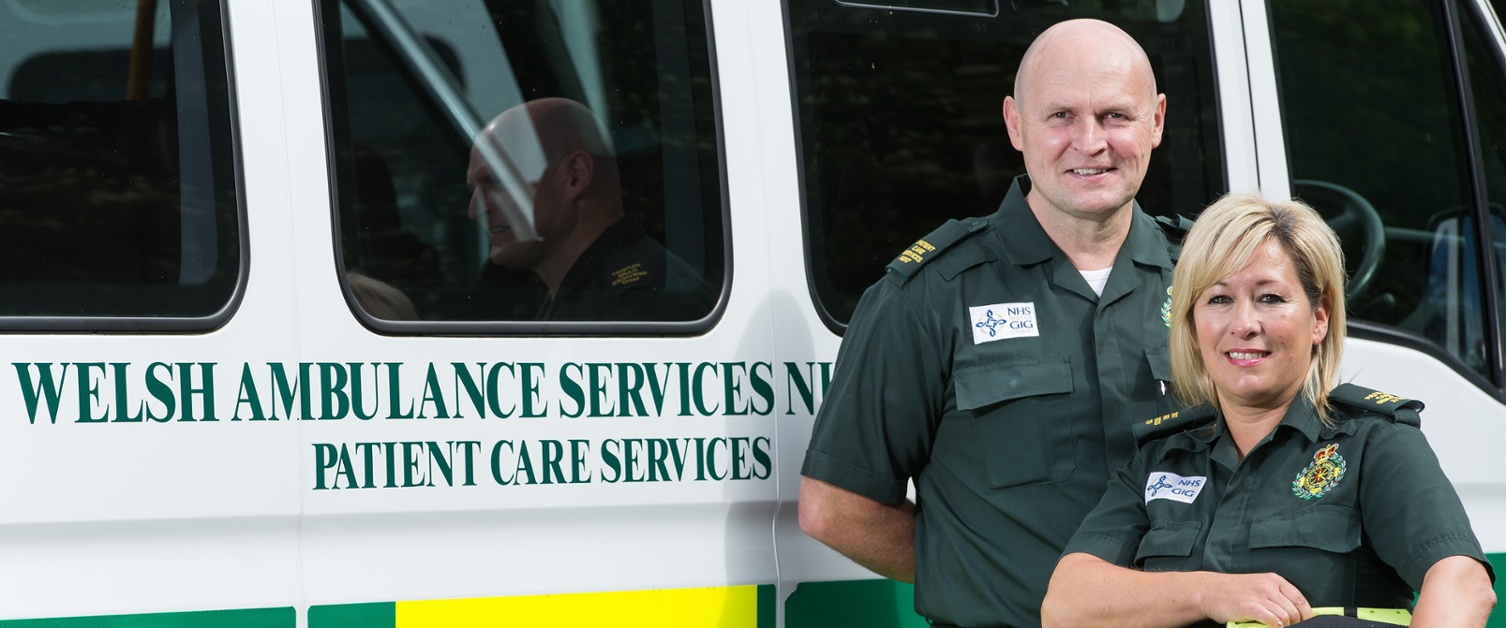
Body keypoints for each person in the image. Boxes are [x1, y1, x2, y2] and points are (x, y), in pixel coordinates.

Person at [799, 19, 1176, 627]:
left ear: (1155, 120)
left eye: (1114, 116)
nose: (1089, 141)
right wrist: (980, 578)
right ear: (1015, 124)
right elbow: (836, 507)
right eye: (1060, 117)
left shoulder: (1213, 285)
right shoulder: (928, 297)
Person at [1041, 194, 1496, 627]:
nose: (1243, 325)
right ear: (1193, 327)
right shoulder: (1161, 458)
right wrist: (1209, 592)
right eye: (1219, 299)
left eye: (1270, 298)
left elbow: (1462, 582)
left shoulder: (1373, 444)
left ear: (1319, 318)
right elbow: (1067, 604)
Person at [466, 97, 712, 321]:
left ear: (575, 175)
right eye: (474, 189)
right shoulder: (598, 296)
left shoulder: (636, 309)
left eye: (496, 182)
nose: (475, 211)